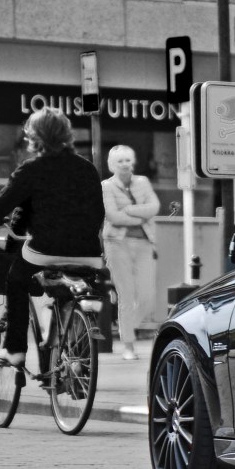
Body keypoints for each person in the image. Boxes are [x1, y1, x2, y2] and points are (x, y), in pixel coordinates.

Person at [0, 109, 104, 367]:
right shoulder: (87, 168)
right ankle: (76, 360)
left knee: (17, 280)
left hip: (45, 250)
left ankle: (14, 349)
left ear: (35, 137)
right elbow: (99, 212)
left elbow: (2, 204)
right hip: (89, 252)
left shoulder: (32, 168)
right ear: (66, 134)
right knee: (72, 286)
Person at [101, 145, 160, 361]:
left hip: (144, 243)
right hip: (117, 244)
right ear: (111, 165)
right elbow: (113, 217)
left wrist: (129, 210)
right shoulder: (106, 186)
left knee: (147, 296)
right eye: (120, 161)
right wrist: (140, 215)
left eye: (128, 160)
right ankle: (128, 346)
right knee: (126, 296)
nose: (125, 164)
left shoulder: (142, 182)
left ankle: (126, 327)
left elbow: (154, 207)